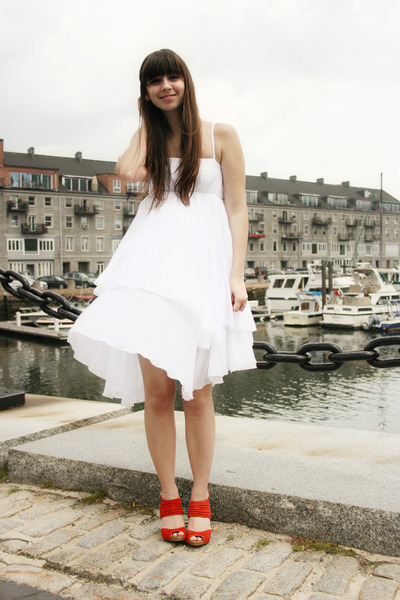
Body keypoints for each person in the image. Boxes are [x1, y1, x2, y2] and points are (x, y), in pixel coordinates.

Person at [68, 49, 256, 546]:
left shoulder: (222, 135)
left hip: (203, 272)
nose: (166, 86)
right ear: (146, 91)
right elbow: (127, 173)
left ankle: (200, 497)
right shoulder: (149, 136)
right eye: (155, 81)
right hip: (151, 270)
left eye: (172, 77)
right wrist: (145, 122)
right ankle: (168, 494)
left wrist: (236, 276)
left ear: (186, 80)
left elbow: (237, 210)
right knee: (157, 393)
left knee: (196, 394)